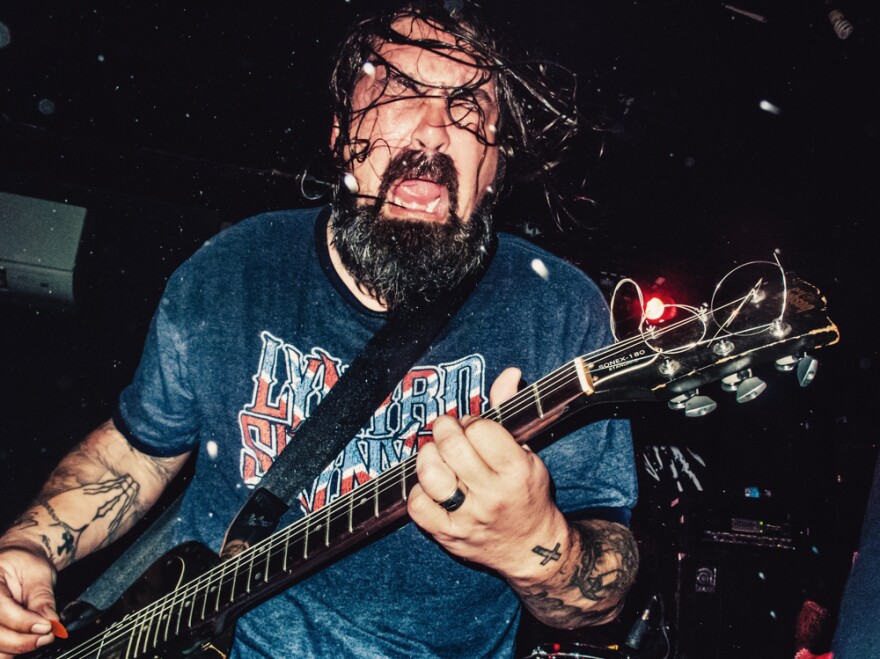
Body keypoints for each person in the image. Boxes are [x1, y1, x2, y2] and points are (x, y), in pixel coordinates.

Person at [0, 2, 638, 657]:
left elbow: (602, 594)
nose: (431, 130)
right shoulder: (232, 269)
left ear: (496, 165)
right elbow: (138, 450)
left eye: (469, 109)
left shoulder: (557, 309)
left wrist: (535, 545)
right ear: (341, 134)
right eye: (398, 93)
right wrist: (27, 544)